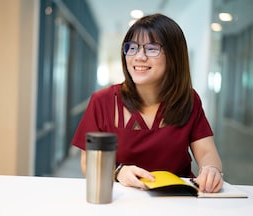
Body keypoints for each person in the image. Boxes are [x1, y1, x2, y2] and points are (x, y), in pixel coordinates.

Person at [71, 13, 223, 193]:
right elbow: (87, 163)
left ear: (174, 56)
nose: (139, 57)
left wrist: (211, 170)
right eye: (132, 48)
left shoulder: (188, 100)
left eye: (151, 49)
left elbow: (206, 152)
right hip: (120, 200)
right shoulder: (103, 101)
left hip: (177, 201)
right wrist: (118, 172)